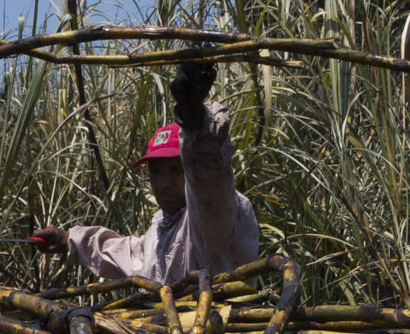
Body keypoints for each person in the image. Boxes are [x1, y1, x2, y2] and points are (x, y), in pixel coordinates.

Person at [32, 60, 259, 282]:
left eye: (174, 170)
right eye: (156, 172)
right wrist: (67, 240)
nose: (162, 184)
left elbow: (209, 185)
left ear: (189, 167)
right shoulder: (160, 230)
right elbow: (126, 253)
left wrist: (194, 123)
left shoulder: (218, 215)